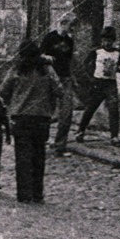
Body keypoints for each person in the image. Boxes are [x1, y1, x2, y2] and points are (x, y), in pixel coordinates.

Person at [0, 41, 61, 204]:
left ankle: (24, 194)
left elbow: (3, 91)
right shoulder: (47, 70)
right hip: (42, 117)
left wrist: (14, 100)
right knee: (39, 156)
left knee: (22, 157)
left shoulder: (17, 70)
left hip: (21, 118)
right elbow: (59, 90)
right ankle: (37, 193)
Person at [75, 25, 120, 143]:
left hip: (111, 84)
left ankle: (114, 136)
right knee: (91, 107)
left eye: (110, 41)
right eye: (105, 40)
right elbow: (85, 64)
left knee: (114, 108)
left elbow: (118, 66)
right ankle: (80, 131)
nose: (107, 43)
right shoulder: (97, 51)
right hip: (98, 83)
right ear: (102, 40)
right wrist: (90, 78)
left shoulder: (117, 53)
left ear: (113, 41)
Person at [39, 14, 76, 156]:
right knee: (46, 111)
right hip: (49, 78)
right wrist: (45, 57)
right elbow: (39, 55)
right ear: (63, 24)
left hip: (65, 78)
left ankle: (60, 146)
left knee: (67, 111)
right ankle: (41, 142)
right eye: (70, 26)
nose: (71, 29)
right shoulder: (50, 38)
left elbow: (69, 60)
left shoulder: (70, 41)